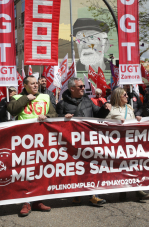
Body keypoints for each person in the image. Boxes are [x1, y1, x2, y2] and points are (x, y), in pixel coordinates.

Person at [56, 77, 111, 207]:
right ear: (72, 89)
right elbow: (55, 124)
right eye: (80, 86)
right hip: (71, 144)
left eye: (83, 86)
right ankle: (76, 195)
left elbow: (98, 115)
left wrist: (105, 108)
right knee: (75, 168)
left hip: (89, 141)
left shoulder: (87, 101)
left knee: (91, 167)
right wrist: (63, 118)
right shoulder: (62, 105)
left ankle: (94, 195)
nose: (83, 88)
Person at [7, 75, 57, 217]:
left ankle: (37, 201)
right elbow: (12, 110)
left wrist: (46, 116)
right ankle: (26, 202)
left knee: (40, 170)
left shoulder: (45, 97)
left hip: (41, 139)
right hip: (24, 140)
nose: (36, 85)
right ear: (25, 85)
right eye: (32, 84)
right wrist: (25, 99)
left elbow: (54, 114)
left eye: (36, 83)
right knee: (26, 171)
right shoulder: (17, 98)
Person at [105, 87, 149, 202]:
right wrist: (115, 124)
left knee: (133, 164)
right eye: (124, 95)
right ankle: (123, 191)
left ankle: (137, 189)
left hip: (130, 142)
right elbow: (103, 125)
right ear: (117, 96)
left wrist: (137, 118)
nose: (127, 96)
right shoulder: (111, 110)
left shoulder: (129, 108)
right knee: (122, 166)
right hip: (118, 144)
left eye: (127, 95)